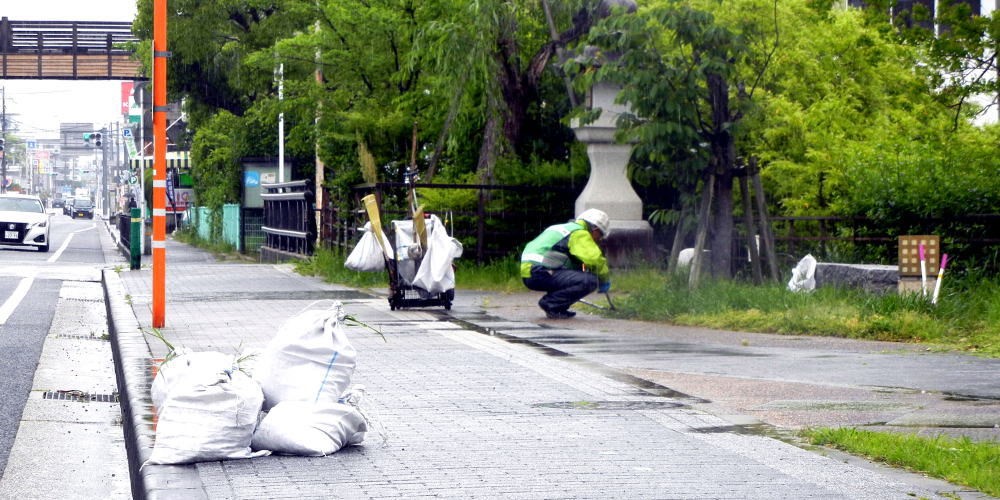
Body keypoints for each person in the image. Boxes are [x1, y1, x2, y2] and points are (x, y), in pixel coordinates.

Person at [520, 208, 611, 319]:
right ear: (595, 229)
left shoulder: (562, 228)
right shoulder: (579, 233)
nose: (599, 240)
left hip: (530, 273)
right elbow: (594, 259)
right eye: (600, 236)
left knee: (578, 275)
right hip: (541, 271)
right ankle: (552, 305)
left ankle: (557, 307)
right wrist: (604, 279)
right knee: (589, 281)